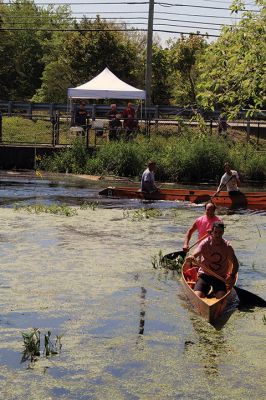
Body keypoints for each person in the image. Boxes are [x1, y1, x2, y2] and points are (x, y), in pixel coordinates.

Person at [186, 221, 239, 299]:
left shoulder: (227, 246)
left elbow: (235, 263)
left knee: (220, 297)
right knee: (198, 296)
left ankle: (215, 293)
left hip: (220, 277)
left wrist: (232, 276)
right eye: (216, 232)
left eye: (220, 232)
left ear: (223, 232)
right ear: (212, 232)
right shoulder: (205, 243)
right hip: (205, 276)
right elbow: (196, 251)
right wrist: (192, 256)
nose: (217, 235)